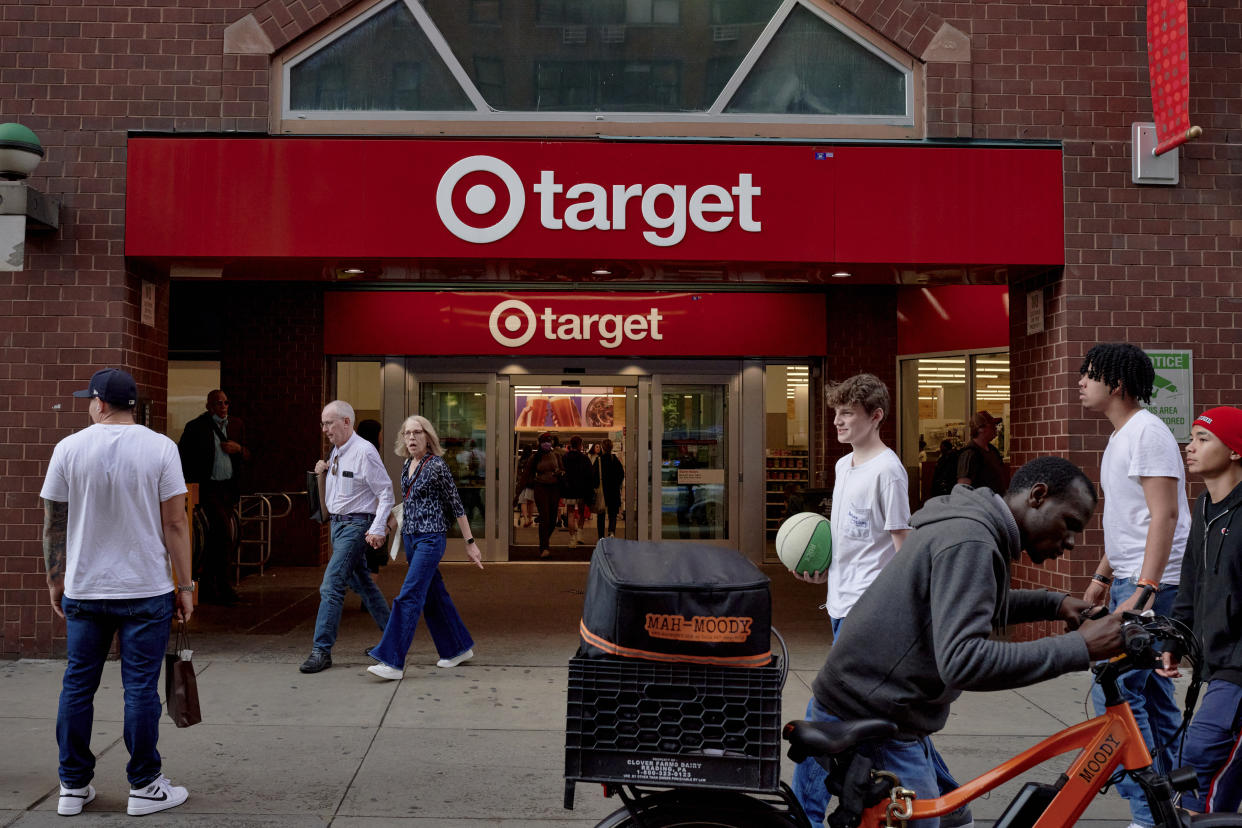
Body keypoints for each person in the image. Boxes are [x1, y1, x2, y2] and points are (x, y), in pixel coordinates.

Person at [793, 457, 1124, 827]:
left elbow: (966, 605)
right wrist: (1080, 648)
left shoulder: (972, 526)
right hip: (873, 715)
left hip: (884, 704)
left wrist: (1055, 604)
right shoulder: (972, 540)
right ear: (1038, 496)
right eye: (1069, 524)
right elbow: (964, 661)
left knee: (955, 816)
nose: (1071, 543)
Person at [792, 374, 967, 828]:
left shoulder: (888, 471)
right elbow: (850, 542)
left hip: (866, 618)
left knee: (822, 721)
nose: (838, 422)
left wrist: (904, 620)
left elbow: (901, 548)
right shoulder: (844, 466)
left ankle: (802, 817)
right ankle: (953, 804)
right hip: (839, 606)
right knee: (896, 728)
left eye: (847, 414)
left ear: (876, 417)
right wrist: (825, 572)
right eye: (835, 414)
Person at [40, 368, 195, 817]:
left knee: (77, 686)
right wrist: (184, 586)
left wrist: (56, 579)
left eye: (89, 400)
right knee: (141, 688)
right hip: (145, 589)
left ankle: (72, 786)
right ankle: (144, 785)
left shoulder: (68, 448)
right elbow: (175, 523)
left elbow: (53, 523)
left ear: (100, 404)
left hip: (85, 589)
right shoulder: (161, 448)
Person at [1078, 342, 1190, 828]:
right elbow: (1132, 519)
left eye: (1089, 374)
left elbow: (1165, 514)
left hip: (1153, 583)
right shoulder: (1123, 435)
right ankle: (1175, 804)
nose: (1080, 381)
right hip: (1132, 578)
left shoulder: (1146, 433)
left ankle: (1149, 814)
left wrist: (1144, 588)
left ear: (1116, 384)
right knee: (1155, 701)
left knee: (1117, 691)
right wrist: (1104, 576)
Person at [1159, 406, 1242, 814]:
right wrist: (1177, 638)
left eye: (1203, 439)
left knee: (1200, 758)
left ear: (1235, 451)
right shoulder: (1205, 505)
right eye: (1191, 438)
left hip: (1239, 666)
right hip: (1218, 662)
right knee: (1219, 779)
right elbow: (1191, 583)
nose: (1190, 447)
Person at [366, 415, 484, 681]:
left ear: (428, 437)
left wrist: (470, 543)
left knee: (408, 596)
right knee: (433, 596)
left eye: (417, 432)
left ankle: (392, 660)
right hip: (412, 538)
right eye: (407, 433)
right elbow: (407, 505)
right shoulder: (408, 464)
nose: (411, 438)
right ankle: (457, 649)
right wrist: (384, 529)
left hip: (431, 539)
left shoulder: (436, 466)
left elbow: (456, 505)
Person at [300, 400, 393, 674]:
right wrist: (323, 472)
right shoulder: (336, 451)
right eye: (323, 423)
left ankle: (321, 650)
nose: (324, 429)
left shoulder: (364, 452)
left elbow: (386, 492)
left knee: (331, 585)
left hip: (356, 526)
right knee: (363, 583)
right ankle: (395, 638)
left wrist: (377, 528)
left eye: (329, 423)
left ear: (346, 422)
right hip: (338, 527)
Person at [178, 389, 249, 605]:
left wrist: (238, 449)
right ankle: (221, 585)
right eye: (218, 403)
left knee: (219, 536)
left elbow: (249, 454)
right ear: (209, 406)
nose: (223, 407)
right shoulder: (196, 428)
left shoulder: (236, 426)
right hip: (207, 489)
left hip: (228, 488)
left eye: (226, 403)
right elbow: (183, 457)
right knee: (222, 533)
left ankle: (211, 584)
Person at [355, 419, 389, 584]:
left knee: (367, 559)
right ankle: (369, 599)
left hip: (359, 515)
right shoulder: (370, 454)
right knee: (372, 559)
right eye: (380, 432)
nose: (382, 436)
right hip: (370, 515)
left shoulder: (354, 452)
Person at [955, 410, 1010, 494]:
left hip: (995, 503)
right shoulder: (969, 454)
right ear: (980, 429)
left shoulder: (993, 450)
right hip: (981, 505)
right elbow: (963, 489)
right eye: (992, 426)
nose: (995, 428)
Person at [527, 433, 563, 558]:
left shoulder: (556, 455)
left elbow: (562, 469)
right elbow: (527, 474)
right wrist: (517, 494)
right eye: (544, 442)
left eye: (549, 441)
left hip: (554, 488)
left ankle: (544, 540)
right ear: (540, 444)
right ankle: (544, 547)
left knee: (553, 519)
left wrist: (560, 473)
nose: (547, 443)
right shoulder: (535, 457)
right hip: (540, 488)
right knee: (545, 517)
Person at [562, 435, 594, 547]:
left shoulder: (565, 457)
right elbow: (590, 474)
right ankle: (580, 533)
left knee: (570, 514)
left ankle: (572, 539)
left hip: (569, 489)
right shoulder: (584, 458)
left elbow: (562, 472)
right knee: (581, 512)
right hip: (582, 489)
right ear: (580, 445)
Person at [595, 438, 625, 539]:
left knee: (601, 514)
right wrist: (617, 484)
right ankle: (611, 532)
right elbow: (621, 474)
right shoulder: (615, 459)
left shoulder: (598, 460)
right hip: (614, 490)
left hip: (602, 490)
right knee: (613, 513)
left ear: (602, 448)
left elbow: (594, 475)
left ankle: (601, 536)